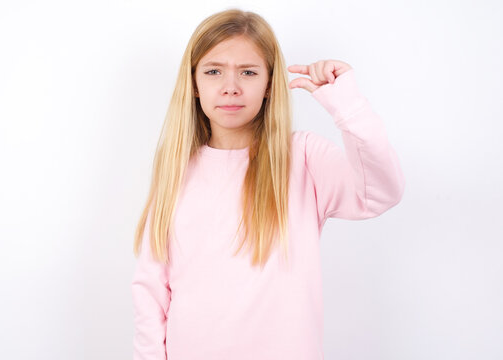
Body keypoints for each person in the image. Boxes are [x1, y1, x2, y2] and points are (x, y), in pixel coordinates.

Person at [131, 7, 405, 360]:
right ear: (195, 84)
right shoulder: (176, 171)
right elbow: (151, 290)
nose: (230, 87)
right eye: (214, 71)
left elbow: (381, 192)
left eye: (248, 72)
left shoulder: (302, 158)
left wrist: (347, 106)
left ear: (268, 84)